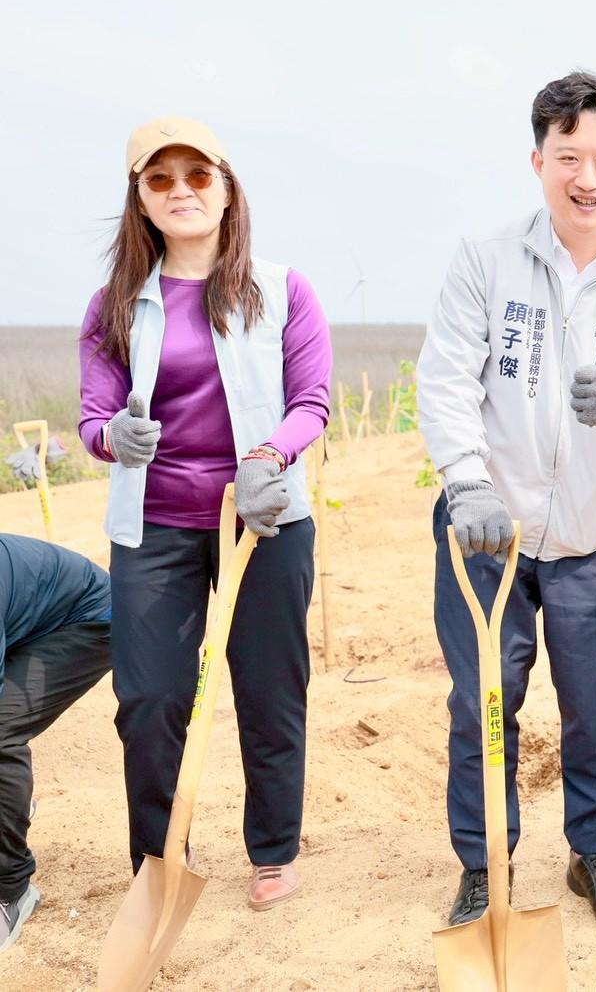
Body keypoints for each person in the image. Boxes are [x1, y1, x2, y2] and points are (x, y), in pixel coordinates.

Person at [417, 71, 596, 929]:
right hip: (485, 530)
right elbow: (446, 378)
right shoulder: (487, 257)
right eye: (568, 156)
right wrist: (466, 481)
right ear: (538, 161)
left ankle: (595, 850)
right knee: (484, 697)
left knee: (592, 699)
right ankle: (485, 863)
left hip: (592, 533)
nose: (587, 177)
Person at [77, 116, 331, 910]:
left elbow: (312, 400)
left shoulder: (282, 289)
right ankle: (159, 856)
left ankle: (273, 849)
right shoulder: (115, 306)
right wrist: (111, 437)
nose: (180, 190)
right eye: (160, 179)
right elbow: (93, 418)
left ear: (226, 189)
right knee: (149, 696)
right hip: (154, 526)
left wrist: (268, 457)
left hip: (264, 521)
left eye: (197, 175)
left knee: (269, 686)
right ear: (140, 200)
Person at [0, 535, 112, 951]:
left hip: (87, 621)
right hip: (27, 619)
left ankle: (11, 890)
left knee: (0, 731)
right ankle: (10, 806)